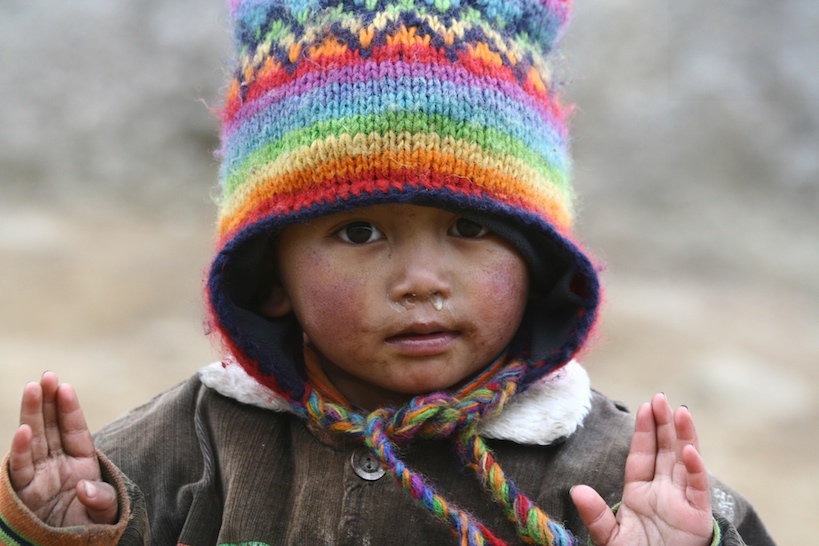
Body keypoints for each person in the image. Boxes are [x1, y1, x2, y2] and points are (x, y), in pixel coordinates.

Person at [0, 1, 775, 544]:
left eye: (469, 228)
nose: (420, 281)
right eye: (359, 231)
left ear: (537, 262)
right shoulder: (190, 445)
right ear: (270, 275)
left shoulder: (612, 475)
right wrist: (52, 533)